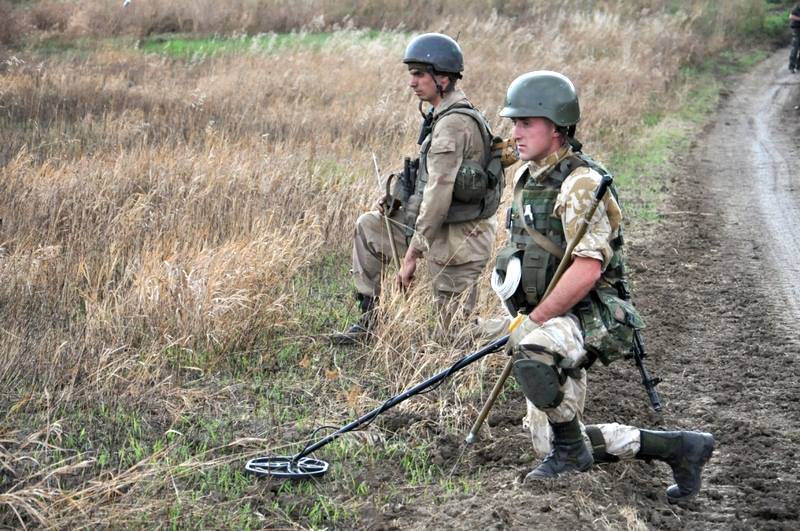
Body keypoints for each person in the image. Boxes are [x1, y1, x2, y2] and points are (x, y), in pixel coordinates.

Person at [494, 71, 714, 503]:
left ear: (555, 126)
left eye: (526, 122)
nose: (515, 132)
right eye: (513, 122)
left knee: (532, 354)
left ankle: (573, 450)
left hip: (587, 314)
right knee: (549, 444)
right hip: (547, 314)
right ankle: (679, 448)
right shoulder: (529, 177)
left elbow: (587, 270)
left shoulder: (581, 185)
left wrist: (533, 323)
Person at [331, 33, 501, 345]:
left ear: (444, 79)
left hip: (458, 238)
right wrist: (395, 197)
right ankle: (370, 321)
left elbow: (439, 193)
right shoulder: (440, 115)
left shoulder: (454, 124)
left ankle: (523, 333)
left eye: (419, 74)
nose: (412, 82)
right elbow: (427, 180)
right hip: (435, 228)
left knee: (456, 338)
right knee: (370, 227)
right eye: (412, 73)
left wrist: (412, 255)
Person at [790, 3, 800, 73]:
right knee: (795, 49)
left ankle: (798, 65)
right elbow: (791, 16)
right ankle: (791, 66)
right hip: (797, 30)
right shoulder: (797, 7)